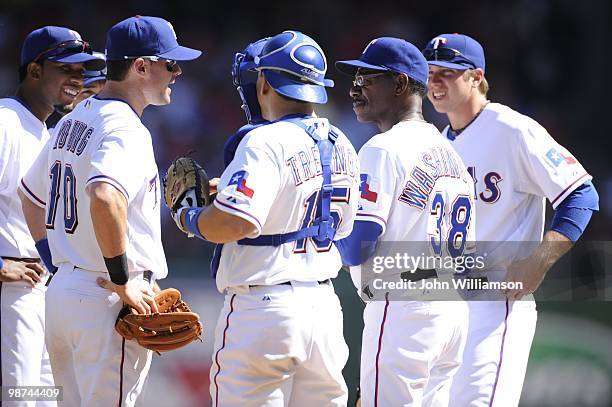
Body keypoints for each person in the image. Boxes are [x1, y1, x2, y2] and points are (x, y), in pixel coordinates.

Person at [18, 16, 201, 406]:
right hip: (106, 297)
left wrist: (57, 264)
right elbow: (104, 194)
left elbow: (30, 195)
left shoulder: (73, 119)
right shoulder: (125, 128)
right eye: (169, 63)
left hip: (66, 292)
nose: (177, 72)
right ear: (140, 67)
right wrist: (122, 280)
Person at [171, 31, 360, 406]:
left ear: (264, 81)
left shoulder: (262, 141)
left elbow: (236, 223)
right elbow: (337, 223)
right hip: (323, 306)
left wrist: (189, 218)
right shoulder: (342, 141)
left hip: (263, 309)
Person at [422, 33, 599, 406]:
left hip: (494, 303)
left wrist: (540, 259)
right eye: (431, 72)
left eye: (447, 73)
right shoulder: (439, 141)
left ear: (475, 76)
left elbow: (581, 195)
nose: (435, 82)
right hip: (448, 305)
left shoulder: (513, 129)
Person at [334, 37, 475, 406]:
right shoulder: (451, 154)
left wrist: (327, 221)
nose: (354, 88)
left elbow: (357, 245)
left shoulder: (383, 148)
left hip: (403, 308)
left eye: (366, 77)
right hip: (451, 310)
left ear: (399, 84)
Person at [1, 25, 104, 406]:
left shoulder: (47, 134)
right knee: (18, 400)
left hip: (39, 292)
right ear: (35, 70)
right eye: (66, 69)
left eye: (82, 72)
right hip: (9, 290)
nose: (76, 80)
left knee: (43, 398)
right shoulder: (6, 123)